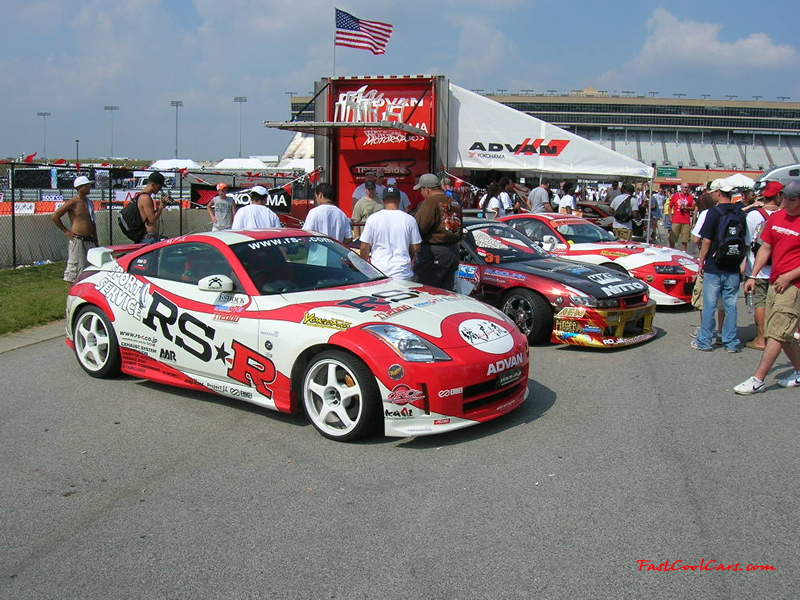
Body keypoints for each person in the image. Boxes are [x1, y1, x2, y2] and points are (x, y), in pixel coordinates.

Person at [734, 179, 800, 394]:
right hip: (775, 281)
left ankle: (758, 379)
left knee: (777, 333)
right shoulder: (778, 217)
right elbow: (766, 247)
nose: (786, 203)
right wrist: (753, 275)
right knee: (781, 332)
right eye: (784, 198)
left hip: (793, 285)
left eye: (792, 200)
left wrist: (789, 276)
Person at [692, 179, 747, 353]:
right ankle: (730, 342)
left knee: (710, 304)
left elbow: (706, 241)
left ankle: (705, 341)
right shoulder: (740, 212)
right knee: (730, 305)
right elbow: (745, 241)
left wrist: (701, 261)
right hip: (732, 264)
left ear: (718, 193)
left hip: (715, 265)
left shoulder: (713, 213)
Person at [743, 181, 784, 350]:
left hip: (756, 266)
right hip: (778, 268)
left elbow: (747, 242)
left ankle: (761, 337)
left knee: (760, 302)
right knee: (774, 304)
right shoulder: (784, 215)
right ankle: (775, 336)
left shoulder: (753, 215)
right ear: (778, 196)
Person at [412, 173, 463, 290]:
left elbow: (420, 227)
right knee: (445, 293)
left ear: (427, 189)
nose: (421, 193)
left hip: (434, 252)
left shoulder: (430, 202)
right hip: (453, 252)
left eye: (421, 189)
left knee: (422, 290)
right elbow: (460, 231)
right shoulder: (454, 202)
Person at [359, 186, 421, 279]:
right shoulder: (409, 220)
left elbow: (364, 247)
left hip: (378, 272)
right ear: (399, 200)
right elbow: (416, 248)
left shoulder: (373, 219)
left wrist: (363, 266)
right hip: (402, 272)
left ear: (383, 201)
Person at [52, 175, 98, 283]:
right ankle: (73, 295)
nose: (89, 187)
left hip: (89, 240)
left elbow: (92, 222)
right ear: (80, 188)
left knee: (89, 270)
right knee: (75, 271)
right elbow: (55, 216)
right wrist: (66, 231)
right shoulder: (73, 203)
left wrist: (96, 240)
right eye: (87, 186)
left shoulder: (89, 202)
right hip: (78, 240)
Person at [128, 171, 173, 244]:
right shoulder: (146, 198)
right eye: (159, 187)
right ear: (153, 185)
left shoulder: (143, 196)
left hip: (149, 237)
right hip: (148, 238)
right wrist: (161, 206)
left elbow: (150, 216)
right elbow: (152, 219)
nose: (160, 190)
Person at [669, 183, 696, 252]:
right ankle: (671, 251)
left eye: (687, 187)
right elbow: (670, 206)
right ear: (681, 188)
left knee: (685, 240)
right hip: (676, 220)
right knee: (673, 239)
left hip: (686, 221)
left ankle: (684, 253)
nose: (686, 189)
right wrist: (670, 216)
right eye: (684, 187)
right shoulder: (675, 196)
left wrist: (686, 208)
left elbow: (693, 208)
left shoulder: (690, 197)